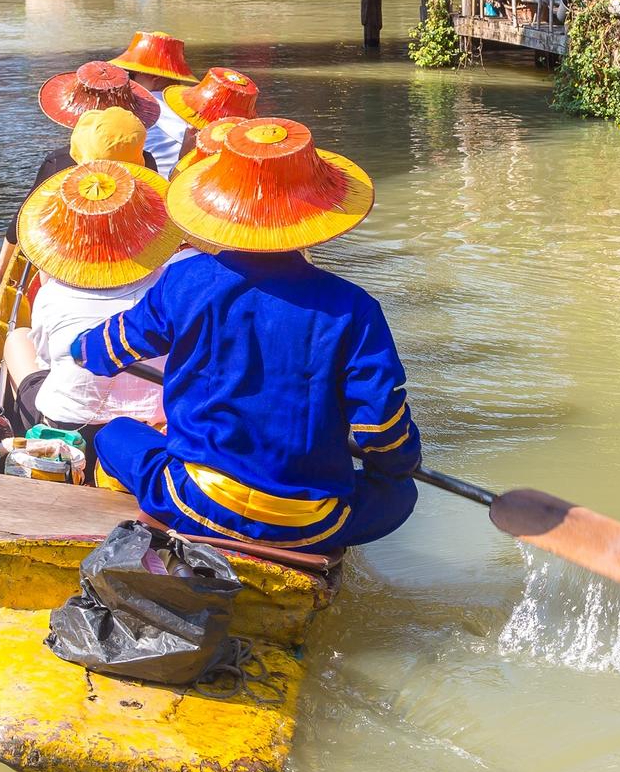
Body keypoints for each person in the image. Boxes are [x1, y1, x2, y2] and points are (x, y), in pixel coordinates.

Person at [69, 117, 419, 555]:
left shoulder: (186, 281)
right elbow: (380, 424)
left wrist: (80, 348)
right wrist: (400, 467)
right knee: (402, 495)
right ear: (313, 217)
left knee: (114, 434)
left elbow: (108, 350)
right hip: (310, 524)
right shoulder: (354, 308)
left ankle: (146, 506)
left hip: (196, 501)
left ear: (222, 209)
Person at [0, 157, 187, 459]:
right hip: (159, 421)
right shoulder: (176, 281)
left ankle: (28, 436)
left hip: (73, 425)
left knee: (16, 338)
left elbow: (47, 360)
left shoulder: (53, 295)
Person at [0, 64, 160, 291]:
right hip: (131, 256)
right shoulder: (145, 161)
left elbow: (23, 219)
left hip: (70, 259)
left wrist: (0, 268)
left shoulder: (59, 162)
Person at [109, 31, 196, 176]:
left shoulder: (135, 106)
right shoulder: (199, 107)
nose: (127, 81)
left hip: (150, 185)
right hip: (187, 182)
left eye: (130, 74)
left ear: (154, 76)